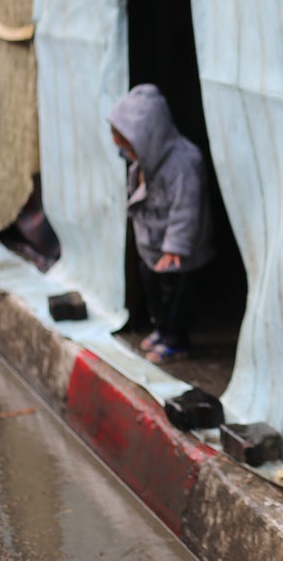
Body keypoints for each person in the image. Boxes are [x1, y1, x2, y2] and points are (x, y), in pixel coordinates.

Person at [107, 84, 214, 364]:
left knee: (178, 298)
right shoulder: (144, 162)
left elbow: (186, 209)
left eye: (129, 144)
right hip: (153, 247)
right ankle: (162, 330)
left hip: (180, 252)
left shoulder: (184, 162)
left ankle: (176, 340)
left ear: (148, 135)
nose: (128, 152)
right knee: (155, 292)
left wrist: (176, 246)